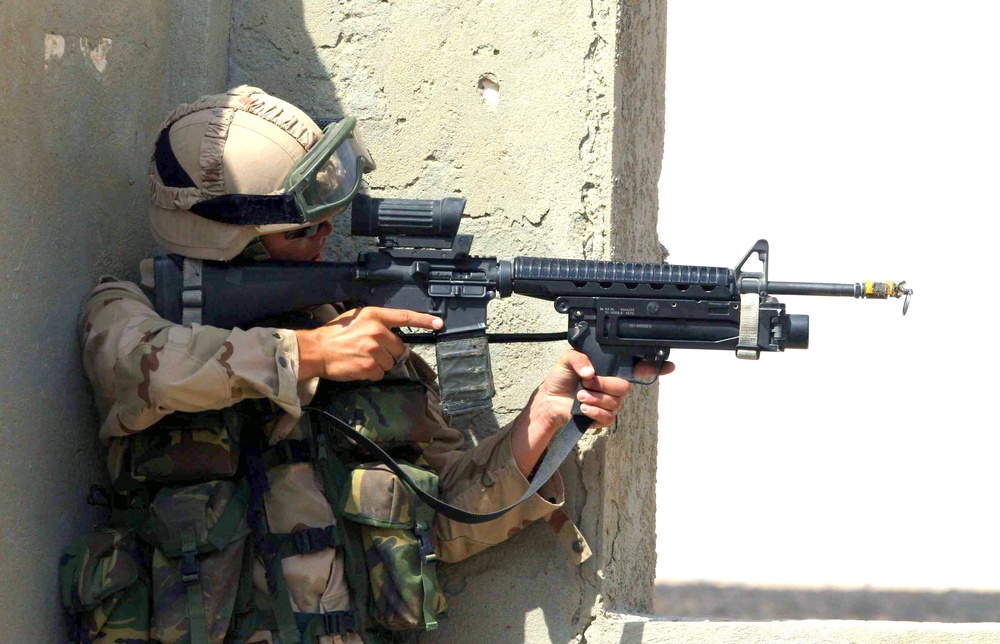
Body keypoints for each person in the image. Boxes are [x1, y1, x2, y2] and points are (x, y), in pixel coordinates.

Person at [70, 86, 673, 643]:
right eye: (306, 226)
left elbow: (444, 523)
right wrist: (311, 354)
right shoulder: (131, 313)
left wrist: (541, 421)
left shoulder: (364, 340)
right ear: (233, 241)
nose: (328, 235)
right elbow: (141, 368)